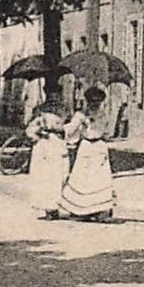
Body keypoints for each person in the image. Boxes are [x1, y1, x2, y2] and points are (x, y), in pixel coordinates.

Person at [58, 87, 115, 221]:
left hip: (100, 147)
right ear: (87, 101)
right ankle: (80, 209)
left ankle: (99, 209)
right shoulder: (81, 115)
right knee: (82, 178)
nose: (95, 104)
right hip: (86, 146)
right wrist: (61, 128)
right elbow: (71, 130)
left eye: (98, 101)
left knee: (100, 179)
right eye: (92, 101)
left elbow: (108, 131)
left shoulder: (104, 115)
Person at [23, 99, 69, 219]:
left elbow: (67, 130)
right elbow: (30, 131)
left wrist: (62, 132)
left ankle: (55, 206)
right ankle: (47, 207)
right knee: (43, 177)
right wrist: (37, 133)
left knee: (58, 176)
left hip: (57, 145)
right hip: (44, 147)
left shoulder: (64, 112)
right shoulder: (40, 115)